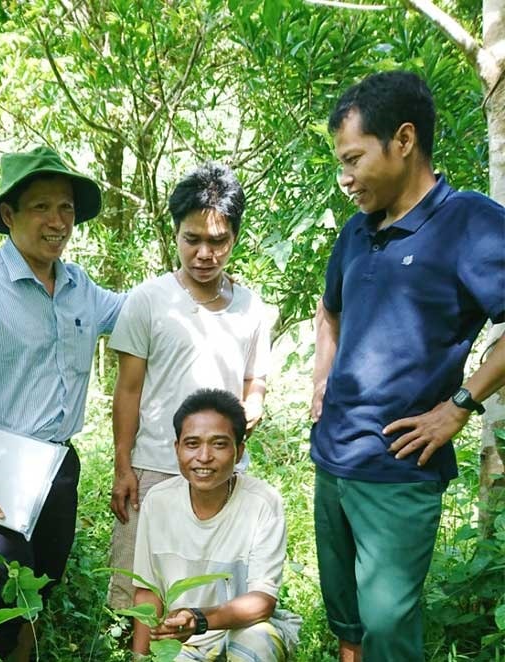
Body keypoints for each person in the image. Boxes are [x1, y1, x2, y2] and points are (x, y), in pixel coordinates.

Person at [311, 70, 505, 661]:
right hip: (333, 462)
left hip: (398, 474)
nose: (344, 179)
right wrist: (322, 383)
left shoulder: (469, 222)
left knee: (389, 628)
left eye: (353, 160)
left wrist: (459, 407)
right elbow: (330, 311)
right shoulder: (355, 231)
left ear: (403, 140)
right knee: (347, 625)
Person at [0, 145, 125, 660]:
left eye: (66, 208)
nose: (57, 221)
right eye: (42, 206)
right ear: (8, 214)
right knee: (5, 596)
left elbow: (136, 313)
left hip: (59, 464)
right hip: (1, 471)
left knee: (40, 589)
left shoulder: (79, 285)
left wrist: (198, 284)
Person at [107, 163, 271, 611]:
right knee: (140, 594)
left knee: (215, 589)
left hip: (224, 469)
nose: (204, 253)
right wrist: (124, 467)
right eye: (192, 239)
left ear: (234, 238)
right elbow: (128, 391)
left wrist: (253, 401)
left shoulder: (252, 308)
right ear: (175, 234)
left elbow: (256, 378)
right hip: (155, 469)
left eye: (217, 241)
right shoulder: (148, 301)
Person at [131, 388, 300, 661]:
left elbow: (262, 601)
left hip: (243, 630)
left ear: (239, 450)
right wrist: (139, 658)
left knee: (257, 642)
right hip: (182, 642)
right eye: (192, 443)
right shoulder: (158, 501)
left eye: (219, 444)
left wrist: (198, 619)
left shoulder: (262, 502)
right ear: (177, 449)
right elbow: (147, 591)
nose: (204, 456)